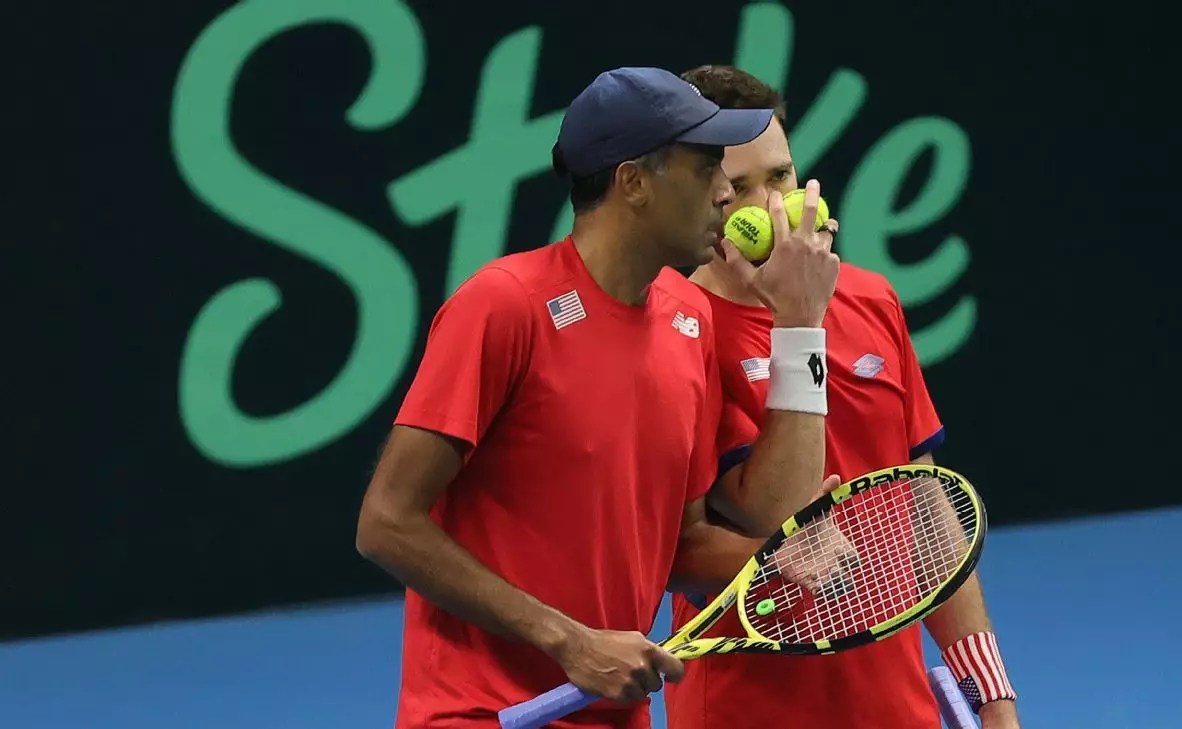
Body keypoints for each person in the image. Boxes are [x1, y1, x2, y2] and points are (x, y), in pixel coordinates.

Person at [354, 66, 841, 729]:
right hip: (479, 711)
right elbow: (386, 522)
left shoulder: (687, 321)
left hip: (615, 710)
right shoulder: (504, 306)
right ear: (633, 183)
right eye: (705, 170)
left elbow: (685, 544)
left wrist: (773, 556)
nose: (729, 193)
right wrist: (567, 638)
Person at [664, 65, 1022, 729]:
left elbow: (923, 512)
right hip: (751, 712)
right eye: (737, 189)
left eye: (780, 177)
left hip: (896, 707)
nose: (771, 208)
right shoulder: (675, 329)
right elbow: (779, 511)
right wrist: (800, 319)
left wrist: (993, 698)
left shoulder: (869, 297)